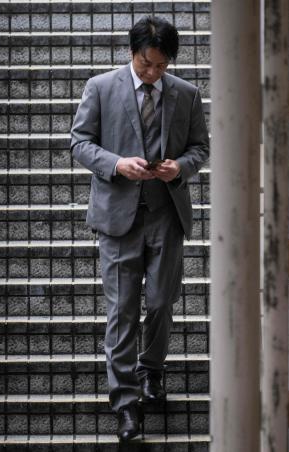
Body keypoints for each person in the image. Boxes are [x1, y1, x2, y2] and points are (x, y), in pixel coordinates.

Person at [70, 16, 209, 441]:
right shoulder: (101, 87)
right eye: (147, 63)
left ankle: (152, 370)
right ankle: (126, 402)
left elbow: (201, 147)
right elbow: (79, 142)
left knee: (162, 302)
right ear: (133, 53)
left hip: (166, 215)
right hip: (118, 219)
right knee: (122, 311)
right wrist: (116, 164)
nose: (152, 73)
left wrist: (179, 168)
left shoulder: (186, 94)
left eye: (161, 67)